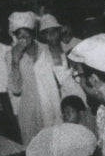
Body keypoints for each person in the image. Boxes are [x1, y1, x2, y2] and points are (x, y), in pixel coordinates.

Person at [5, 11, 62, 146]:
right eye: (20, 35)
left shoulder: (46, 49)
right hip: (29, 111)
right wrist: (15, 61)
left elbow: (59, 77)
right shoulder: (10, 55)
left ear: (33, 33)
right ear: (15, 36)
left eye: (27, 34)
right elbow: (15, 89)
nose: (24, 39)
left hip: (51, 106)